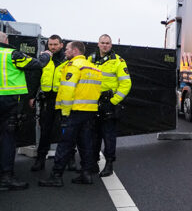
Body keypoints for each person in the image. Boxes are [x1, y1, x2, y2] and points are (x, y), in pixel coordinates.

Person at [39, 41, 102, 187]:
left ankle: (56, 176)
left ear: (75, 51)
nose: (65, 51)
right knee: (85, 143)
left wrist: (65, 112)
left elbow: (67, 90)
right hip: (89, 111)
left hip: (74, 111)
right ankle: (86, 174)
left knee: (65, 143)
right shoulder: (94, 68)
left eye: (67, 49)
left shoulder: (72, 66)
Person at [0, 32, 51, 191]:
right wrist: (46, 55)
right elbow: (37, 64)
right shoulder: (12, 54)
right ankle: (6, 177)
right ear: (6, 40)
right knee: (8, 139)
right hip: (8, 102)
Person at [88, 34, 131, 177]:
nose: (105, 45)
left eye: (107, 43)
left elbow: (126, 84)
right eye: (102, 42)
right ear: (98, 44)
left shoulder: (118, 61)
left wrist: (113, 101)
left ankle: (109, 164)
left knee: (109, 136)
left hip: (109, 103)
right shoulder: (90, 59)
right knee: (93, 135)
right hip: (92, 103)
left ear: (111, 45)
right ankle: (93, 163)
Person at [30, 35, 68, 171]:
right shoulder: (44, 59)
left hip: (63, 100)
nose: (52, 47)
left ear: (61, 45)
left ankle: (69, 159)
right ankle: (40, 159)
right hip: (47, 100)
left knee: (66, 131)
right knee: (45, 131)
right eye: (50, 44)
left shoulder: (67, 61)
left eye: (55, 44)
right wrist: (32, 96)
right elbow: (36, 78)